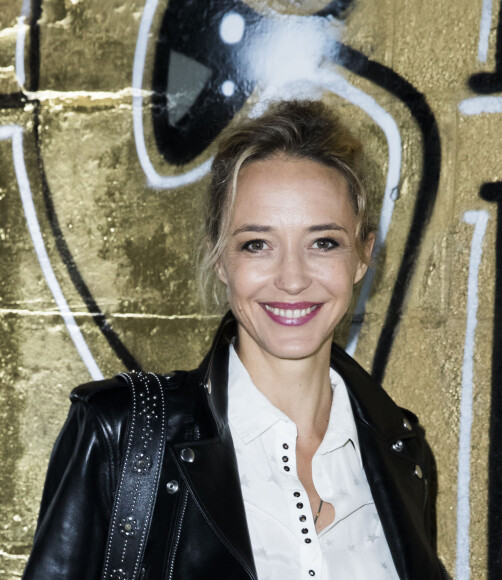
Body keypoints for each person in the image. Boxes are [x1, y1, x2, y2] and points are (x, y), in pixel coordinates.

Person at [23, 100, 448, 579]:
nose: (292, 278)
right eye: (257, 244)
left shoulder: (404, 452)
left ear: (363, 256)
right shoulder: (119, 433)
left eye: (323, 242)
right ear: (222, 260)